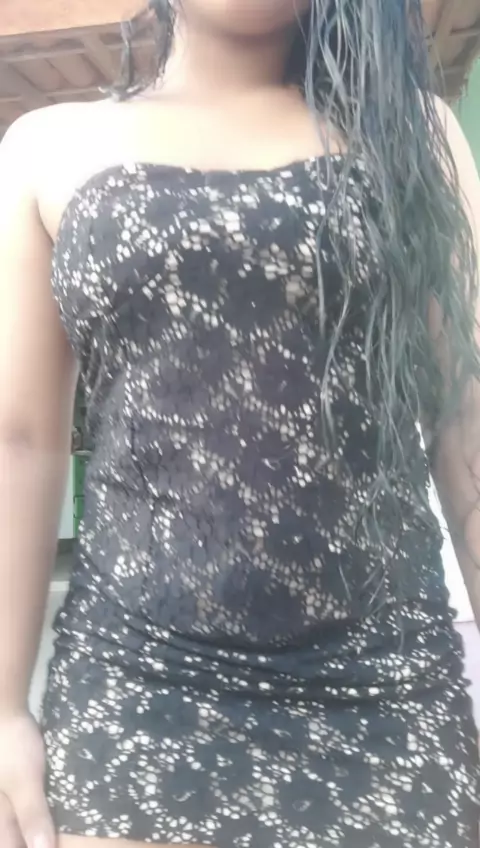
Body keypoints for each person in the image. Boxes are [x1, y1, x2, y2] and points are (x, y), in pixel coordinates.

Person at [0, 0, 479, 846]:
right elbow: (20, 440)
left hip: (388, 692)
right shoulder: (46, 147)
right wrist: (3, 708)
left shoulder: (416, 133)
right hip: (137, 688)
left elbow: (464, 416)